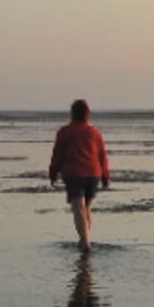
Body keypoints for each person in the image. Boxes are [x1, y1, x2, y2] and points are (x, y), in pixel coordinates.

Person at [48, 99, 110, 248]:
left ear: (72, 114)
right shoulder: (94, 132)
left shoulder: (65, 132)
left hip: (74, 173)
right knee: (86, 208)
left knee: (78, 208)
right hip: (93, 174)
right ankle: (86, 238)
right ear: (87, 114)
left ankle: (85, 241)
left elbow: (57, 155)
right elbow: (102, 155)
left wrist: (53, 173)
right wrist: (105, 175)